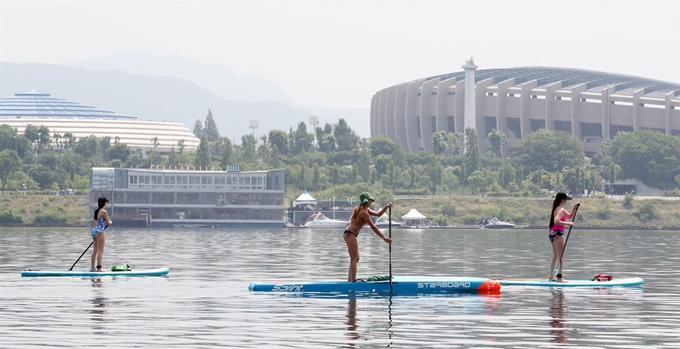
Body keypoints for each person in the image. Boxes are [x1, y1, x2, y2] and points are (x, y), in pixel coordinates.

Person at [343, 191, 393, 282]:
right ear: (366, 201)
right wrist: (384, 238)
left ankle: (350, 281)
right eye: (370, 200)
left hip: (349, 234)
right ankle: (352, 281)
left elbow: (378, 214)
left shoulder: (366, 210)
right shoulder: (363, 212)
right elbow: (373, 227)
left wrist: (386, 207)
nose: (371, 201)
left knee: (355, 258)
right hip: (350, 234)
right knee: (354, 258)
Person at [548, 192, 579, 281]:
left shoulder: (557, 208)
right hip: (558, 234)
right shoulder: (560, 210)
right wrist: (568, 223)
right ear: (563, 200)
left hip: (552, 233)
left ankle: (551, 277)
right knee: (561, 257)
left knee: (555, 256)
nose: (566, 201)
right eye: (566, 200)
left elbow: (569, 216)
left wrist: (574, 208)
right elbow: (556, 221)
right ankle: (559, 278)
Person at [91, 197, 112, 272]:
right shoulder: (104, 211)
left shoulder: (97, 211)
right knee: (101, 250)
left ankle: (92, 268)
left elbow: (95, 223)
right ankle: (99, 268)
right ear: (104, 203)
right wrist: (110, 222)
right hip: (100, 231)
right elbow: (108, 222)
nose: (107, 204)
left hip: (94, 231)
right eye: (106, 202)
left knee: (95, 250)